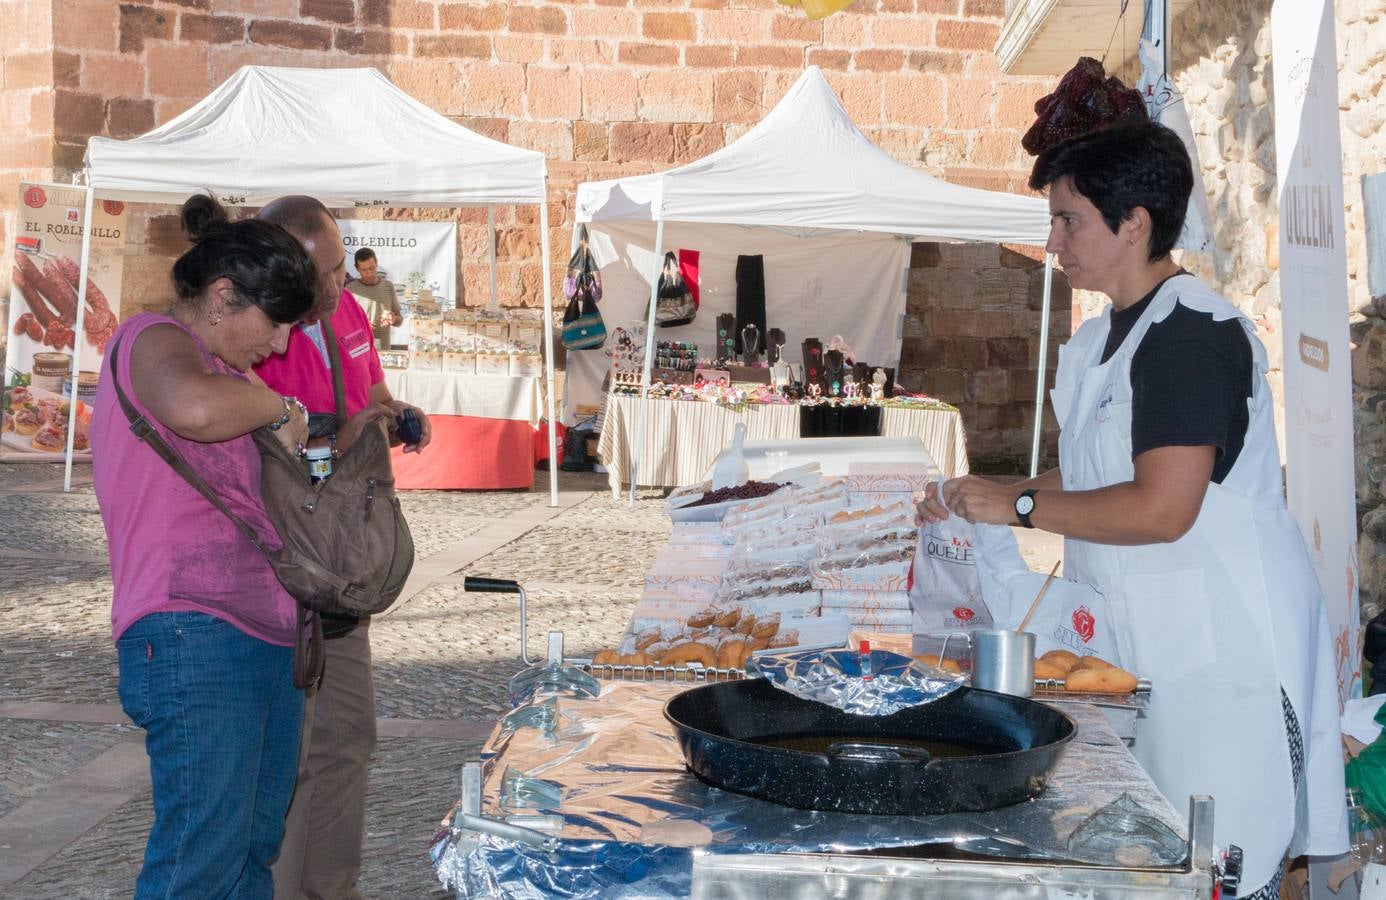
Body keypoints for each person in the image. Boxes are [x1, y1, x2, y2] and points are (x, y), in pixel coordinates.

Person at [916, 121, 1347, 897]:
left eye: (1068, 219)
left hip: (1227, 653)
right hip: (1144, 648)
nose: (1052, 242)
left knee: (1219, 858)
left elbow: (1160, 508)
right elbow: (1093, 471)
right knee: (1149, 857)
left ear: (1135, 222)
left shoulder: (1191, 335)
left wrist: (1016, 506)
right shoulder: (1104, 337)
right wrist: (977, 500)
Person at [91, 194, 317, 898]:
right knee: (201, 861)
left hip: (262, 635)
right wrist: (283, 409)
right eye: (274, 322)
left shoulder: (234, 376)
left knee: (248, 852)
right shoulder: (153, 339)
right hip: (191, 630)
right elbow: (191, 409)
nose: (279, 345)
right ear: (222, 296)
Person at [252, 195, 430, 900]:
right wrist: (344, 434)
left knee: (349, 738)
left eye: (336, 270)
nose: (333, 287)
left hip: (345, 568)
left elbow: (372, 394)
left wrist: (392, 416)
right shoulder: (262, 331)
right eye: (321, 273)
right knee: (288, 756)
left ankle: (333, 887)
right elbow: (266, 456)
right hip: (287, 566)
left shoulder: (350, 314)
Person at [349, 247, 401, 349]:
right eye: (364, 270)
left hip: (384, 351)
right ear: (357, 268)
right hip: (359, 352)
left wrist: (393, 319)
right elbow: (343, 325)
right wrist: (361, 325)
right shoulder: (349, 290)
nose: (369, 273)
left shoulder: (388, 286)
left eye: (371, 268)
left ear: (376, 263)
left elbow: (400, 320)